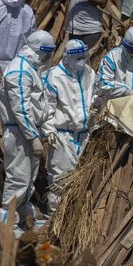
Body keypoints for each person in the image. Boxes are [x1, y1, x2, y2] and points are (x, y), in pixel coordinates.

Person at [0, 30, 56, 236]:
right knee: (18, 177)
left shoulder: (28, 69)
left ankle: (21, 217)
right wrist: (32, 136)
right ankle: (6, 222)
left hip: (27, 131)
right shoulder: (19, 71)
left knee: (28, 178)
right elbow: (20, 108)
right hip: (19, 133)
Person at [42, 39, 96, 212]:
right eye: (78, 58)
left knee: (84, 178)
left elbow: (94, 98)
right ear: (67, 57)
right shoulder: (54, 76)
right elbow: (47, 108)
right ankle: (55, 218)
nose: (82, 61)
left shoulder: (88, 72)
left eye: (83, 57)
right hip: (63, 135)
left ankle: (75, 217)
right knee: (60, 178)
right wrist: (49, 130)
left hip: (85, 133)